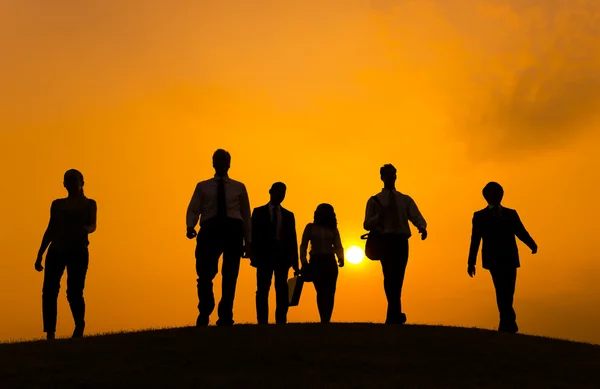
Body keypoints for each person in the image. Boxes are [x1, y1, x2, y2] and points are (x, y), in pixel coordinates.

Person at [186, 149, 252, 326]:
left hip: (232, 230)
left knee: (230, 274)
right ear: (213, 163)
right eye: (218, 160)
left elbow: (246, 214)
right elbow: (194, 207)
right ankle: (205, 308)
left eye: (225, 160)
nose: (222, 163)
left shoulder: (239, 187)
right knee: (205, 272)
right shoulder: (203, 186)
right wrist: (190, 226)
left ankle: (225, 314)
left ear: (229, 163)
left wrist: (248, 240)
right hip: (210, 229)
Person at [35, 169, 97, 340]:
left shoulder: (89, 204)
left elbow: (93, 225)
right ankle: (50, 332)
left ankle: (79, 325)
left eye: (73, 179)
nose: (70, 183)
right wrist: (40, 253)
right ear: (63, 184)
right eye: (67, 180)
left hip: (78, 251)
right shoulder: (57, 204)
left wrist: (83, 229)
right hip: (56, 251)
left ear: (81, 182)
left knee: (74, 291)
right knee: (49, 291)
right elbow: (50, 229)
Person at [467, 181, 538, 334]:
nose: (498, 196)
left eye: (499, 193)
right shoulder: (479, 216)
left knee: (509, 290)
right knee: (501, 290)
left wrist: (532, 244)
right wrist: (471, 262)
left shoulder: (511, 214)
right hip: (493, 260)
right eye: (494, 193)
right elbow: (475, 239)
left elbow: (520, 231)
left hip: (510, 257)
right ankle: (508, 322)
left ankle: (506, 322)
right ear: (486, 196)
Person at [363, 164, 427, 325]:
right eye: (387, 175)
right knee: (389, 276)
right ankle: (395, 313)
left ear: (396, 177)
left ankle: (394, 313)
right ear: (382, 177)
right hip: (385, 241)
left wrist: (422, 227)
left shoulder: (404, 199)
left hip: (401, 241)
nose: (391, 178)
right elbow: (366, 224)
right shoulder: (374, 200)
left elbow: (415, 215)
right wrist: (379, 216)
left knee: (398, 277)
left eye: (393, 175)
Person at [250, 182, 299, 324]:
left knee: (282, 289)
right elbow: (253, 234)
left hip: (282, 255)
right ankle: (262, 321)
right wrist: (253, 254)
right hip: (264, 255)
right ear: (271, 192)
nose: (281, 195)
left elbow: (292, 238)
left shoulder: (289, 215)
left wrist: (295, 261)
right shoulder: (258, 212)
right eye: (278, 192)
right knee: (262, 289)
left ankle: (281, 320)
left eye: (283, 193)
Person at [299, 203, 344, 323]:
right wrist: (304, 262)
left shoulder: (333, 229)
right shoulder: (310, 227)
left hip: (330, 261)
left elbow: (338, 245)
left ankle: (327, 319)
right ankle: (323, 318)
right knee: (320, 290)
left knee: (330, 291)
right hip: (316, 261)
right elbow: (303, 245)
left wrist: (341, 257)